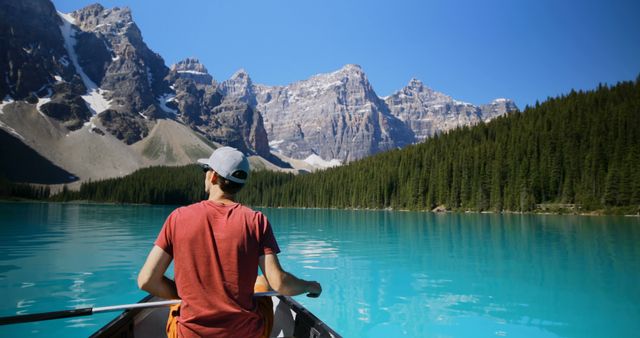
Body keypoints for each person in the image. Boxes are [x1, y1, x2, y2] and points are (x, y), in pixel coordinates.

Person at [137, 146, 322, 338]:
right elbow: (280, 283)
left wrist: (186, 295)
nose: (205, 175)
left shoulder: (178, 217)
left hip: (189, 335)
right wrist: (310, 285)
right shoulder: (256, 221)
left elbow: (146, 280)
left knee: (177, 299)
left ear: (213, 177)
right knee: (262, 281)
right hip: (246, 334)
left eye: (206, 170)